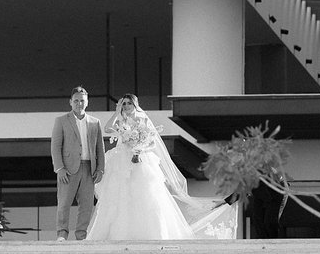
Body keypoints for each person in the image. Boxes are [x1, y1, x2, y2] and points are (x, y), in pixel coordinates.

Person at [86, 94, 231, 241]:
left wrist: (139, 149)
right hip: (122, 161)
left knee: (146, 195)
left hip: (141, 160)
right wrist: (117, 112)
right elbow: (108, 128)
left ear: (135, 104)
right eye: (124, 104)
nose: (126, 107)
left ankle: (150, 233)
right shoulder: (121, 119)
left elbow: (153, 142)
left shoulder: (143, 119)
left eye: (129, 103)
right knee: (120, 195)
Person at [51, 86, 106, 241]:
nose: (79, 104)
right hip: (68, 169)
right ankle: (62, 234)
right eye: (76, 101)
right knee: (64, 203)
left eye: (82, 101)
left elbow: (100, 148)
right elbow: (55, 146)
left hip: (90, 168)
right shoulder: (61, 121)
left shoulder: (95, 122)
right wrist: (59, 168)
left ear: (87, 102)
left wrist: (101, 169)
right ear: (70, 102)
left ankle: (81, 235)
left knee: (87, 205)